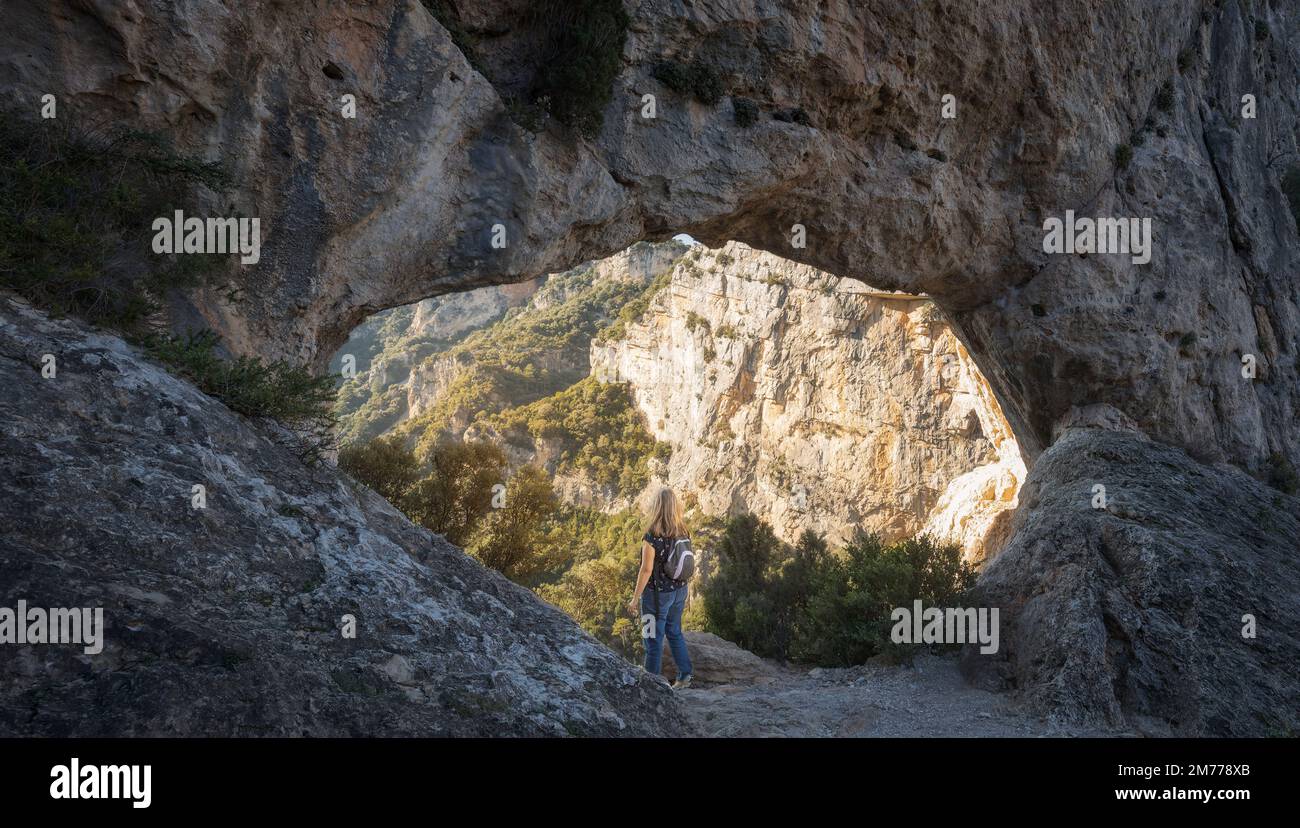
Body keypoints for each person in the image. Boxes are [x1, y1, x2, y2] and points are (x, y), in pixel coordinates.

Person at [627, 487, 694, 689]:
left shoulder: (652, 537)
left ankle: (651, 684)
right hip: (680, 591)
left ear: (656, 508)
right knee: (674, 633)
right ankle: (685, 676)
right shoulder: (683, 530)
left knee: (652, 640)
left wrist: (634, 599)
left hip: (655, 598)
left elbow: (646, 570)